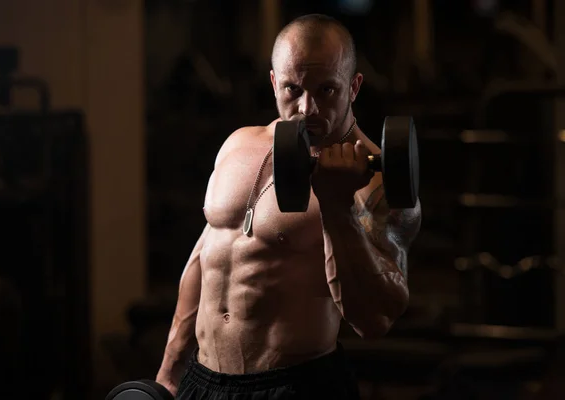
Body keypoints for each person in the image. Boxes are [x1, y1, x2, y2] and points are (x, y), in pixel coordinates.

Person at [156, 13, 422, 399]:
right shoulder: (239, 145)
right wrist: (170, 367)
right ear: (273, 82)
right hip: (202, 380)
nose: (306, 108)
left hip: (296, 386)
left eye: (326, 90)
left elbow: (375, 319)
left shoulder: (375, 183)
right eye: (292, 89)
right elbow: (206, 256)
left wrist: (336, 208)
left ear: (354, 87)